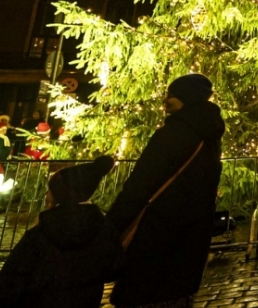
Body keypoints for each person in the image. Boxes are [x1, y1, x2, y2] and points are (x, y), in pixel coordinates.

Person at [107, 73, 225, 308]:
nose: (165, 99)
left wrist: (112, 225)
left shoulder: (172, 134)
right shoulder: (210, 136)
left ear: (186, 97)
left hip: (156, 232)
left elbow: (141, 183)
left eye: (171, 94)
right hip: (191, 235)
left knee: (142, 294)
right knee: (176, 295)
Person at [0, 156, 121, 308]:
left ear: (59, 196)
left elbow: (12, 279)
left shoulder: (41, 233)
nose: (46, 195)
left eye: (49, 191)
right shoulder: (105, 230)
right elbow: (113, 270)